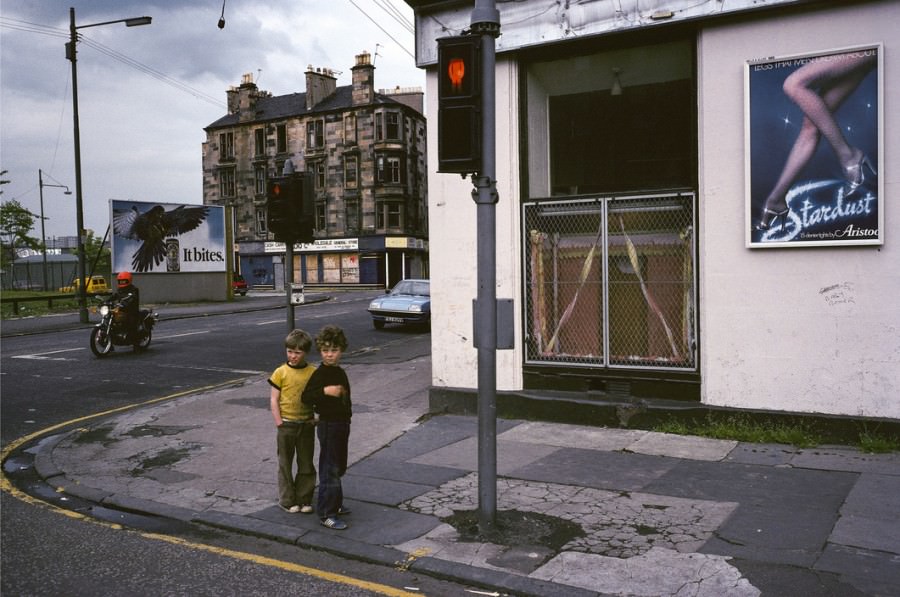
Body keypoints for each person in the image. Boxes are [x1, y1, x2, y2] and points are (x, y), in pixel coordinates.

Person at [756, 49, 877, 231]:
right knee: (812, 124)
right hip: (854, 45)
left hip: (863, 45)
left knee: (794, 84)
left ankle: (848, 154)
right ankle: (776, 200)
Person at [302, 324, 352, 530]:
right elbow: (306, 397)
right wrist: (325, 391)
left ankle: (336, 504)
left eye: (334, 350)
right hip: (329, 425)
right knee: (329, 469)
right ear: (320, 350)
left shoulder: (339, 371)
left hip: (341, 424)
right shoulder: (321, 374)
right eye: (325, 350)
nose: (329, 355)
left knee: (339, 466)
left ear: (341, 350)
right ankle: (326, 513)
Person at [268, 329, 317, 514]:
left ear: (305, 352)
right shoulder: (280, 372)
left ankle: (304, 498)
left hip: (306, 424)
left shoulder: (313, 372)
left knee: (306, 462)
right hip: (286, 424)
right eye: (290, 351)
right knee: (285, 464)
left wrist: (315, 417)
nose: (293, 356)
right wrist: (279, 421)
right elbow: (274, 399)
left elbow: (317, 397)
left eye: (297, 352)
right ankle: (287, 500)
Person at [112, 271, 140, 339]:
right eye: (120, 281)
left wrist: (127, 303)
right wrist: (105, 301)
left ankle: (136, 344)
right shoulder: (120, 290)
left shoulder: (134, 289)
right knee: (111, 318)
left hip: (131, 310)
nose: (122, 282)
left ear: (128, 280)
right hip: (121, 310)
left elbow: (133, 298)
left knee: (131, 323)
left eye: (124, 281)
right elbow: (115, 296)